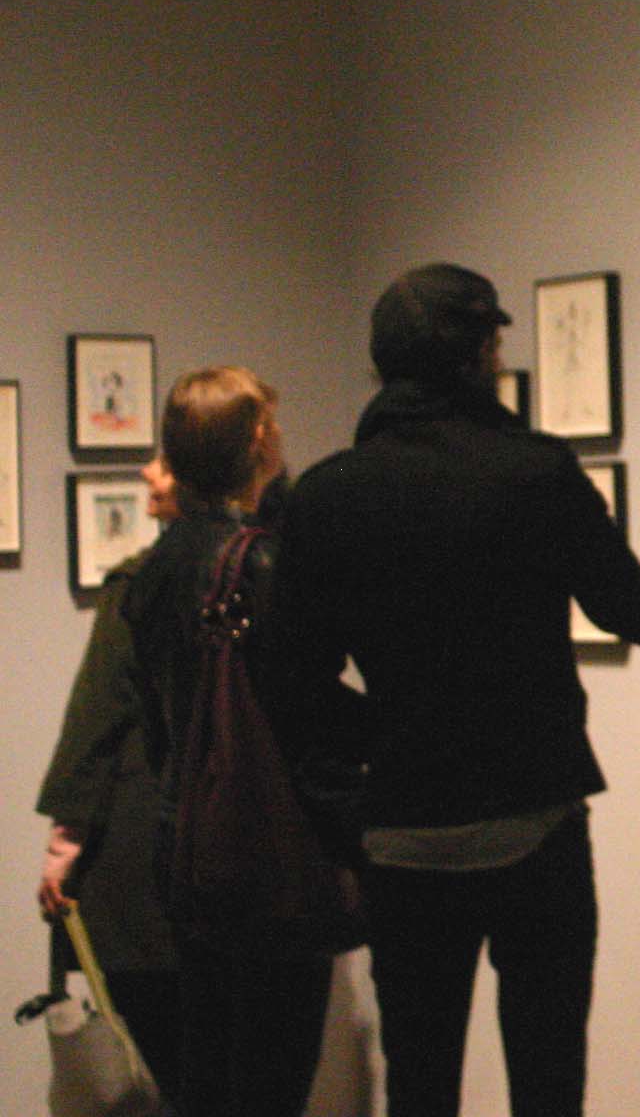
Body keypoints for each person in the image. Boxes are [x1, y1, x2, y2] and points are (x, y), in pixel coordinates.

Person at [272, 263, 640, 1117]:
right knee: (549, 1076)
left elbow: (289, 679)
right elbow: (633, 609)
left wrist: (380, 743)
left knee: (421, 1084)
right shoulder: (534, 472)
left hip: (406, 832)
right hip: (538, 820)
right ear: (480, 352)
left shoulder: (329, 495)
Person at [122, 365, 339, 1117]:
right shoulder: (261, 564)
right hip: (266, 841)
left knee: (210, 1059)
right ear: (256, 440)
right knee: (276, 1069)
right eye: (271, 425)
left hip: (183, 835)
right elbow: (307, 705)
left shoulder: (155, 566)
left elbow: (155, 715)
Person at [34, 451, 185, 1106]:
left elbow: (96, 725)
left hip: (144, 866)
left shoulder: (141, 586)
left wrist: (64, 847)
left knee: (156, 1072)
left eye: (165, 460)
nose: (148, 473)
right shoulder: (275, 568)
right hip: (253, 870)